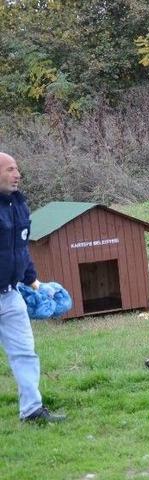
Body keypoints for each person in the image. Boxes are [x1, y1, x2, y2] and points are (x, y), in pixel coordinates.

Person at [0, 152, 65, 423]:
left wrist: (35, 283)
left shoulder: (19, 205)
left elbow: (21, 249)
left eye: (18, 169)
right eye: (11, 169)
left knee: (25, 352)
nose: (18, 174)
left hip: (11, 294)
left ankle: (32, 411)